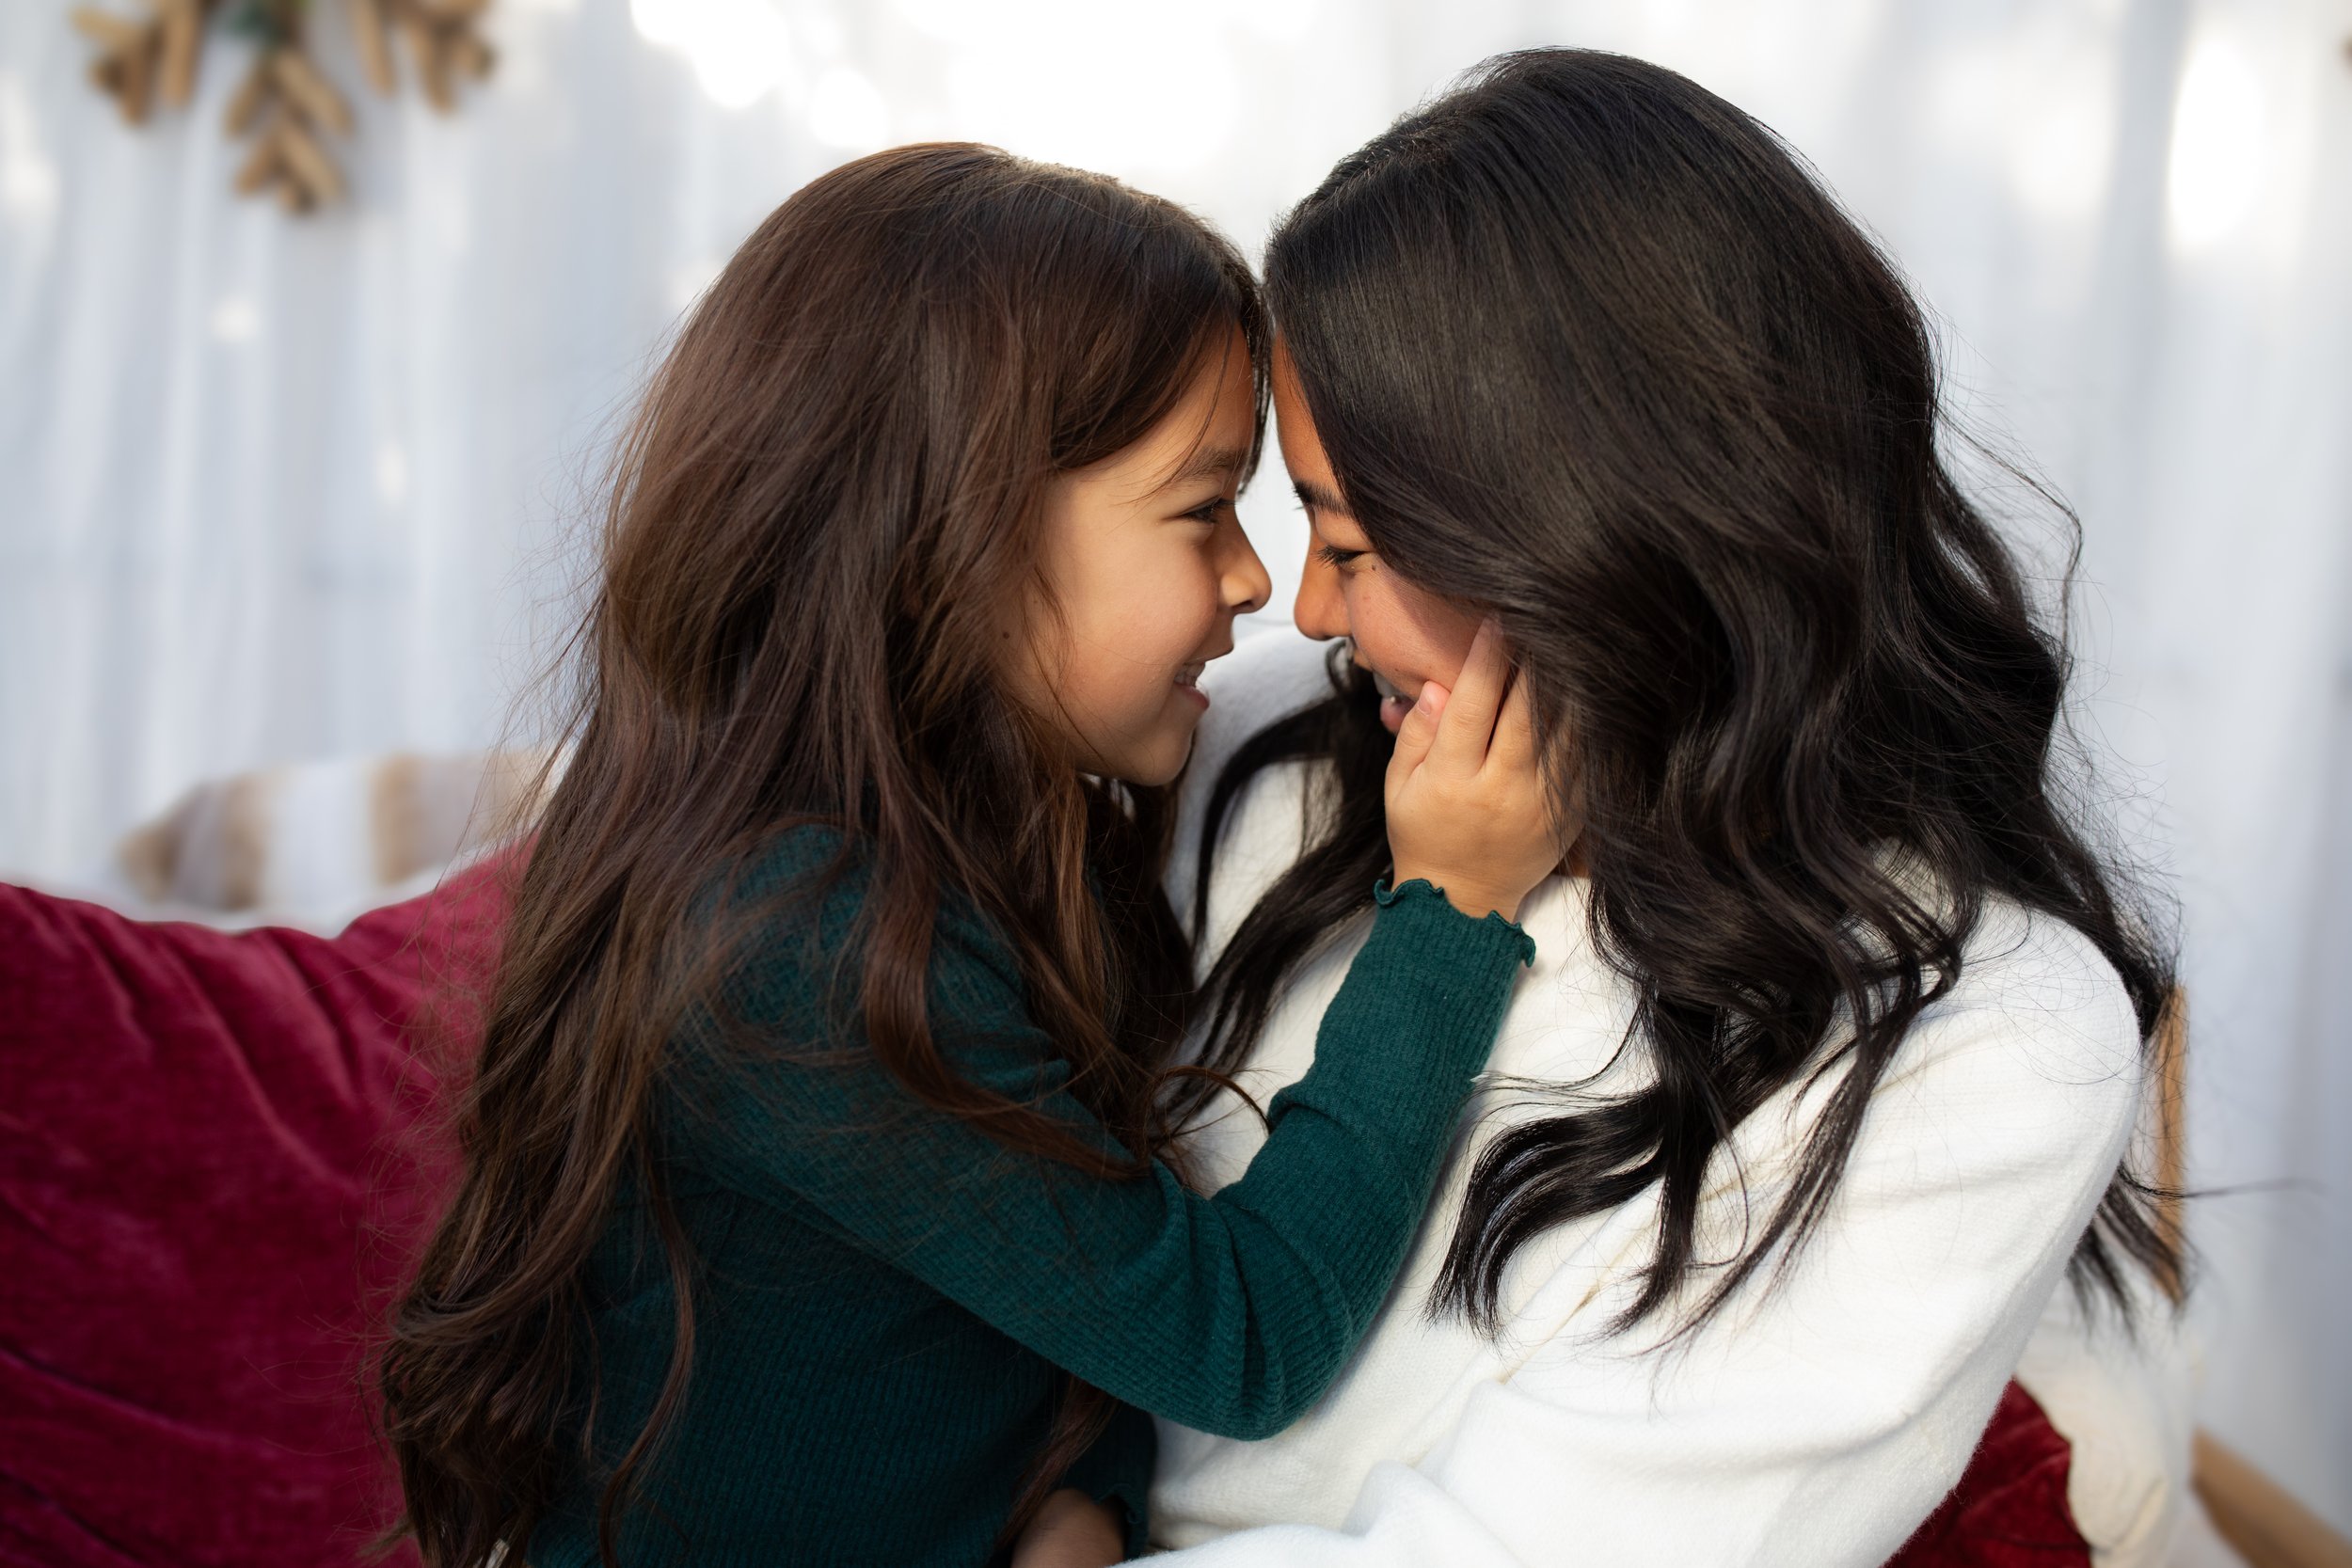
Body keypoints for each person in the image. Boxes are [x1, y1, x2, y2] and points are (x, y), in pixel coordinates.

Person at [374, 145, 1564, 1567]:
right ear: (964, 540)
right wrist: (1449, 909)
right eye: (1204, 509)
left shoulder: (969, 844)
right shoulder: (799, 947)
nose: (1256, 582)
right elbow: (1238, 1342)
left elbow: (1039, 1281)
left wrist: (1086, 1496)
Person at [1113, 49, 2182, 1566]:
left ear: (1593, 530)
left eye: (1352, 543)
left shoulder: (1988, 1036)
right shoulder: (1274, 757)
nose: (1306, 609)